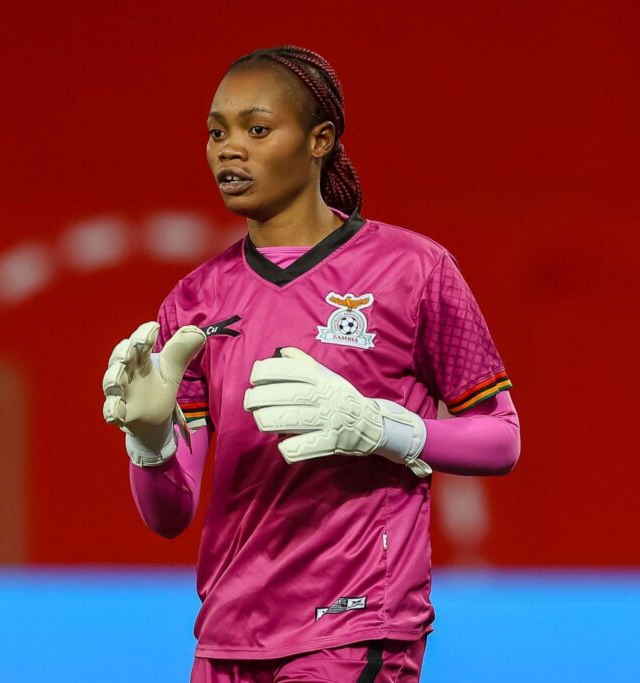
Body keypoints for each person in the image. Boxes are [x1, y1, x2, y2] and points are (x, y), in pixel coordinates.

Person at [101, 45, 520, 683]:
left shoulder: (413, 270)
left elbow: (501, 438)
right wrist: (151, 441)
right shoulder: (193, 301)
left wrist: (382, 428)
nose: (227, 148)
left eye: (257, 129)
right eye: (216, 132)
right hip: (227, 637)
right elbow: (170, 517)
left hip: (355, 627)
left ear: (320, 139)